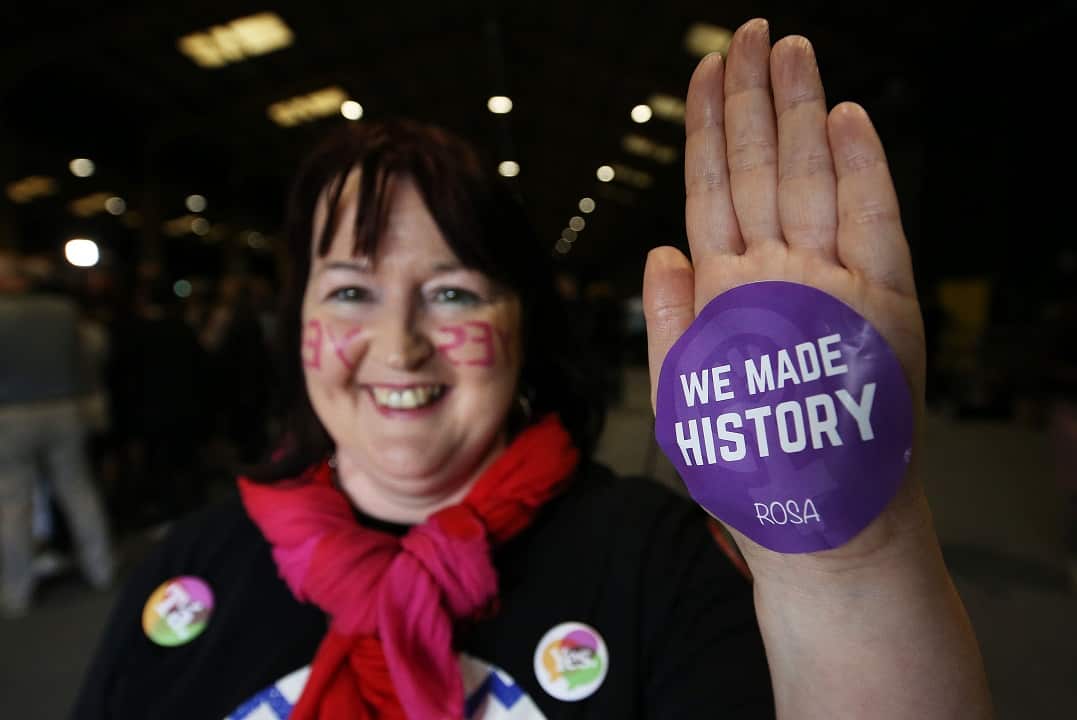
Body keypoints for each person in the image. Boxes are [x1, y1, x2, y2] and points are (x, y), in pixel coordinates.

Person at [74, 19, 992, 719]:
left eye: (453, 293)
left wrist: (845, 564)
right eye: (350, 292)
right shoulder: (194, 558)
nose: (398, 348)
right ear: (298, 320)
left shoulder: (651, 563)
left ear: (524, 325)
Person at [0, 253, 115, 617]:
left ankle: (17, 590)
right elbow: (92, 353)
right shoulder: (63, 310)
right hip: (66, 408)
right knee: (77, 489)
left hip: (11, 412)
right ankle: (101, 568)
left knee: (13, 502)